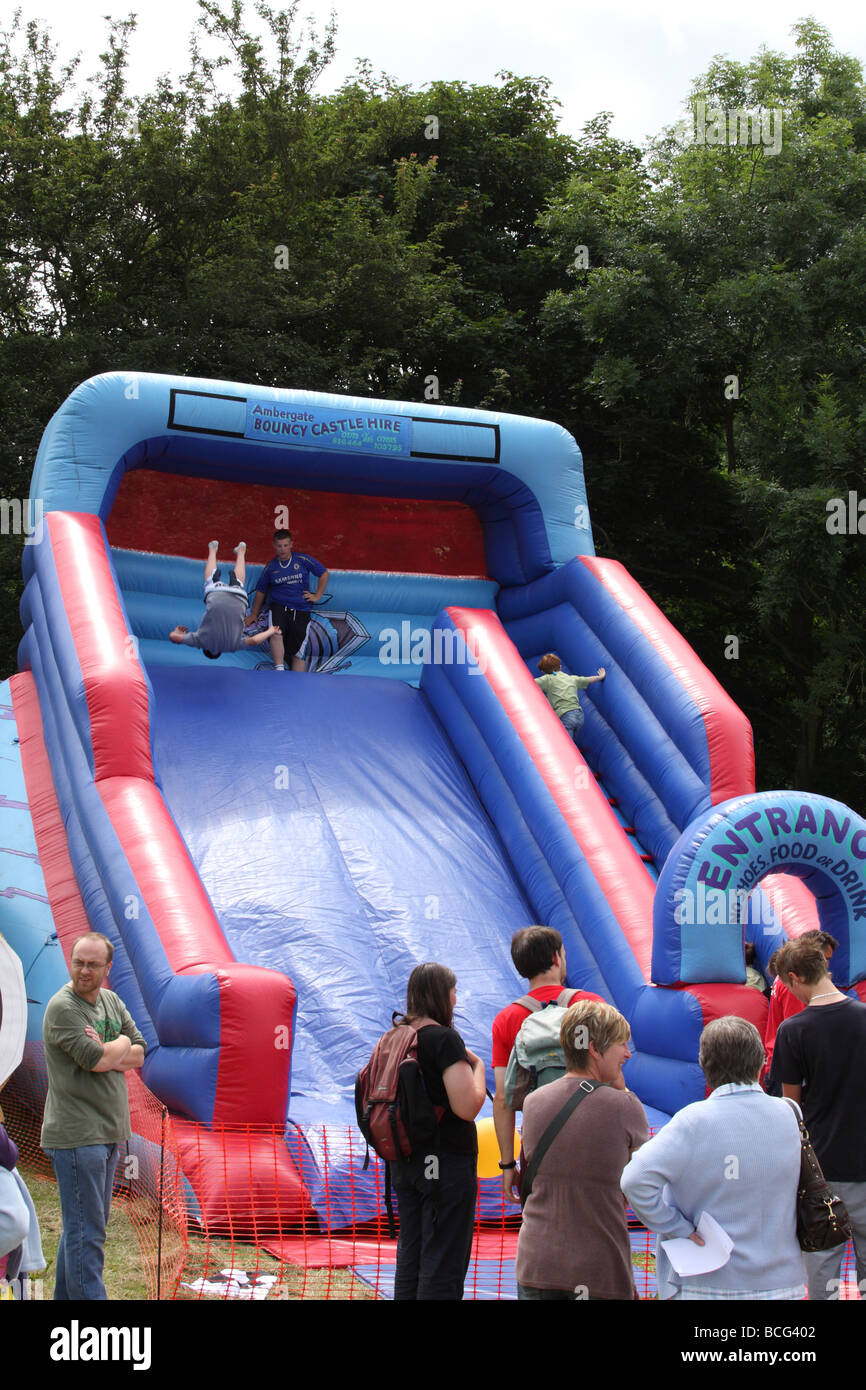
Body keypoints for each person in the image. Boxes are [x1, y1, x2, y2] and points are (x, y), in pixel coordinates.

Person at [621, 1016, 805, 1300]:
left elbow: (634, 1180)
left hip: (708, 1282)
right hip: (783, 1282)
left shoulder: (693, 1122)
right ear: (760, 1065)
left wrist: (677, 1227)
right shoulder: (790, 1113)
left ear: (705, 1066)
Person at [515, 999, 648, 1299]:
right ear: (595, 1049)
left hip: (539, 1266)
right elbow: (643, 1185)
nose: (627, 1053)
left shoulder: (533, 1103)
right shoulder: (625, 1107)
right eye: (620, 1045)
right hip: (599, 1269)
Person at [41, 932, 148, 1300]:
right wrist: (116, 1047)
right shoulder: (63, 1008)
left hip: (108, 1133)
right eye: (78, 963)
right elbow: (98, 1061)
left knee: (84, 1229)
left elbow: (140, 1051)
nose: (84, 971)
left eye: (92, 964)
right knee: (88, 1235)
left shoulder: (111, 1001)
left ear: (107, 968)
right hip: (76, 1137)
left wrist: (112, 1046)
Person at [774, 936, 866, 1300]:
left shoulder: (793, 1031)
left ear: (795, 978)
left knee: (822, 1282)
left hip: (820, 1173)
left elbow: (790, 1109)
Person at [391, 963, 486, 1301]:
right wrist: (478, 1067)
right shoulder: (443, 1039)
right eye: (454, 992)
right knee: (443, 1258)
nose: (456, 999)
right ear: (442, 995)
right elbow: (467, 1106)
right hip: (445, 1164)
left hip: (405, 1161)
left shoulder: (396, 1037)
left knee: (411, 1254)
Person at [491, 925, 603, 1204]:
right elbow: (613, 1077)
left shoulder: (507, 1019)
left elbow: (504, 1099)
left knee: (542, 1228)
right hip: (592, 1141)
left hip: (538, 1145)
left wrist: (507, 1165)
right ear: (556, 958)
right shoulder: (591, 1006)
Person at [169, 540, 279, 658]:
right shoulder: (200, 640)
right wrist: (177, 632)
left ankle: (241, 552)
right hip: (216, 594)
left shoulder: (232, 646)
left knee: (240, 583)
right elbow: (173, 637)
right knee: (209, 580)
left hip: (239, 598)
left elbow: (253, 641)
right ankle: (213, 550)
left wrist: (271, 631)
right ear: (205, 649)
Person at [763, 930, 838, 1093]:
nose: (825, 966)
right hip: (789, 1070)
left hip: (781, 1064)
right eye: (824, 959)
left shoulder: (787, 980)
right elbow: (798, 1032)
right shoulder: (796, 986)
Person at [247, 529, 330, 672]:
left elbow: (324, 573)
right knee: (275, 632)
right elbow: (261, 590)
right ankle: (279, 670)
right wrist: (254, 614)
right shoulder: (271, 567)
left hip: (301, 609)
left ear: (291, 544)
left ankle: (298, 686)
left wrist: (317, 595)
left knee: (298, 652)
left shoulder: (303, 560)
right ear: (274, 546)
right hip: (279, 606)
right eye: (279, 546)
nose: (283, 549)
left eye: (285, 545)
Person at [534, 653, 606, 746]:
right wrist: (600, 676)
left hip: (565, 716)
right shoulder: (571, 678)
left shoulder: (547, 679)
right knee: (570, 742)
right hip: (579, 716)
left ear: (544, 671)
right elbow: (588, 680)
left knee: (565, 745)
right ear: (560, 667)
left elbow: (529, 683)